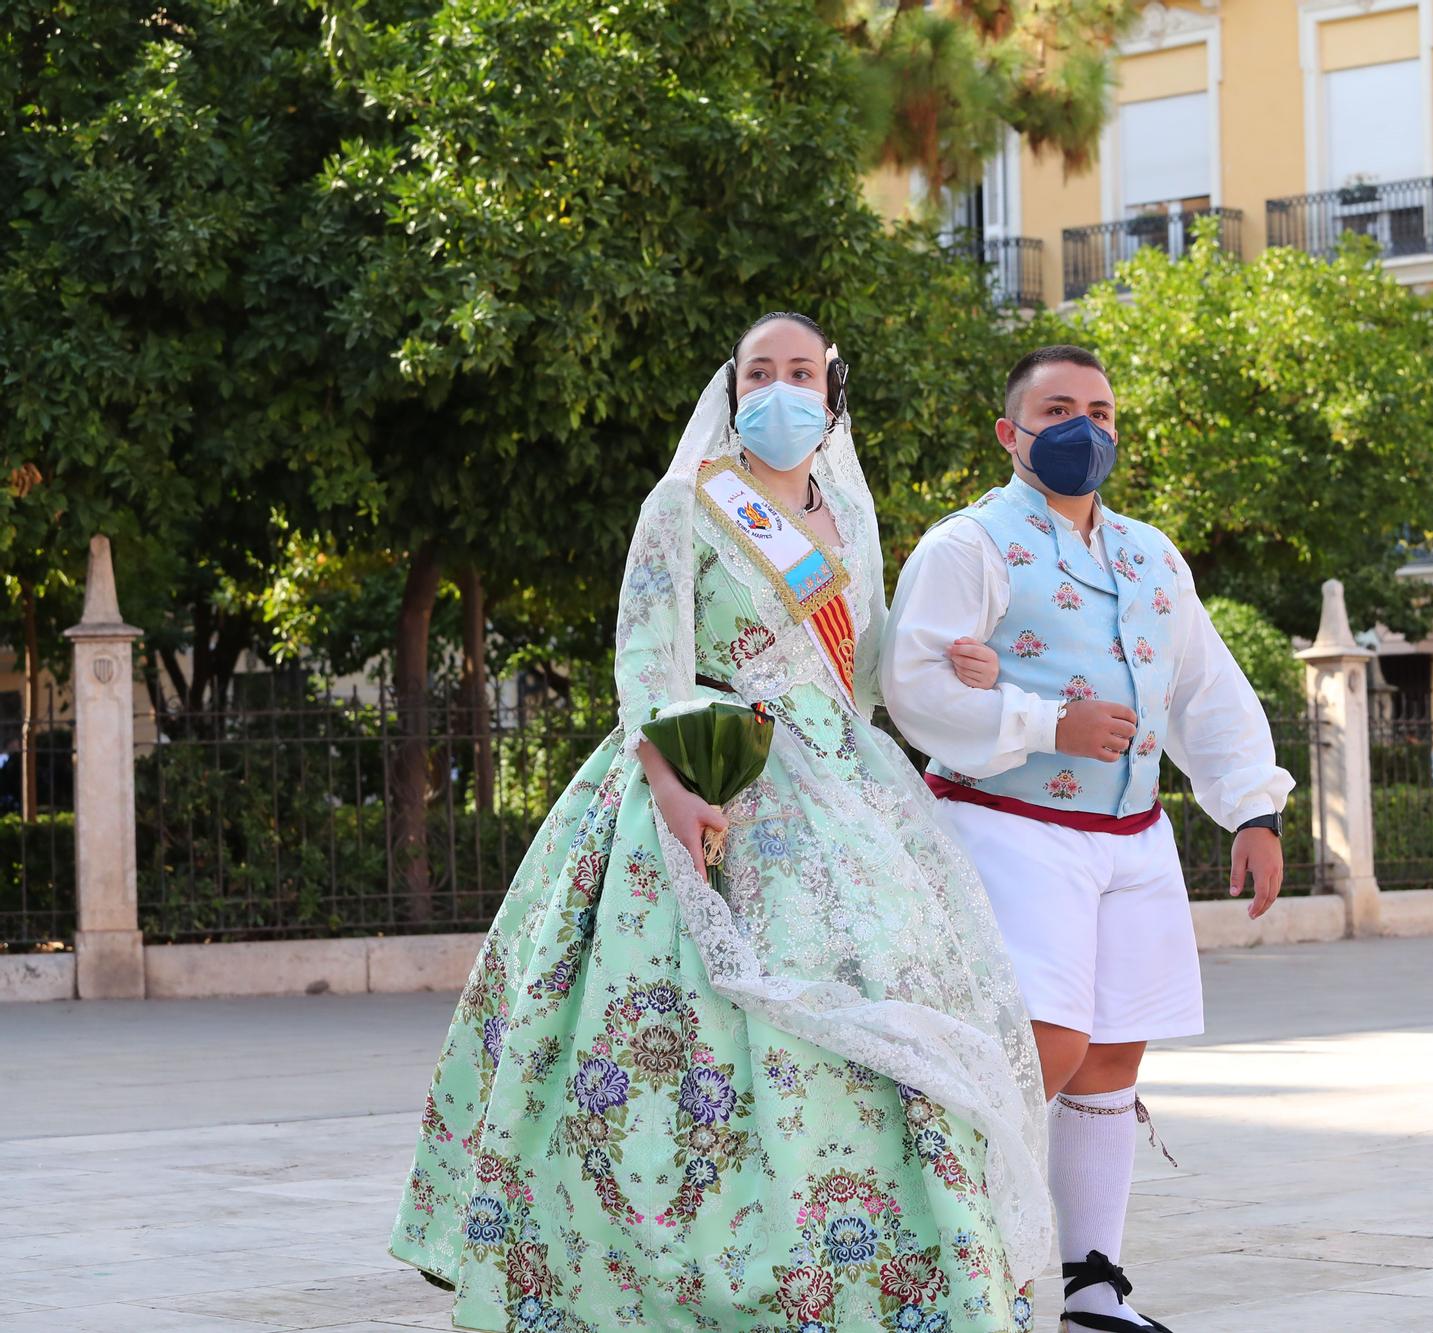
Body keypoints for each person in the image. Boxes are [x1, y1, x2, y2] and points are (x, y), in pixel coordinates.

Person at [389, 313, 1053, 1333]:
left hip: (840, 787)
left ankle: (870, 1263)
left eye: (800, 371)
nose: (779, 388)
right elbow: (645, 657)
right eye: (759, 371)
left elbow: (865, 674)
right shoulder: (685, 504)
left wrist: (961, 664)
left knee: (872, 1011)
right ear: (733, 387)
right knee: (680, 1031)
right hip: (707, 768)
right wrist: (671, 789)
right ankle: (651, 1269)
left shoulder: (848, 520)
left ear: (828, 389)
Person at [883, 344, 1292, 1333]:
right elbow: (913, 682)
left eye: (1099, 410)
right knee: (1041, 1051)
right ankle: (978, 1277)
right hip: (1007, 828)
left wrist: (1250, 806)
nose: (1082, 427)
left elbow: (1203, 688)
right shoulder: (967, 545)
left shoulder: (1152, 554)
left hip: (1132, 836)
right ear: (1009, 432)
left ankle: (1089, 1288)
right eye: (1057, 407)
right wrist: (1039, 722)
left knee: (1112, 1058)